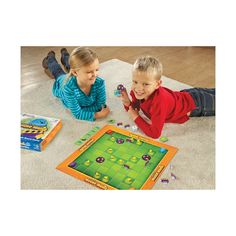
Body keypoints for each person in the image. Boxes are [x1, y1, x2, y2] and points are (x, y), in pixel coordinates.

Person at [119, 55, 215, 139]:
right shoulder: (138, 91)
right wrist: (127, 102)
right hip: (187, 94)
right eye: (135, 82)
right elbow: (135, 108)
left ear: (157, 84)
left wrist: (136, 117)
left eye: (145, 84)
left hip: (198, 104)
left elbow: (155, 133)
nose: (138, 88)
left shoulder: (159, 102)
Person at [42, 47, 110, 121]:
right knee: (58, 71)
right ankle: (50, 58)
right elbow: (78, 113)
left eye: (97, 70)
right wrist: (97, 114)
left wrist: (83, 109)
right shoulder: (68, 88)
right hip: (62, 81)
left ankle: (65, 54)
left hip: (77, 74)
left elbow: (100, 106)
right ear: (75, 73)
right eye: (89, 72)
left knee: (71, 65)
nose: (95, 74)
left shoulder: (99, 83)